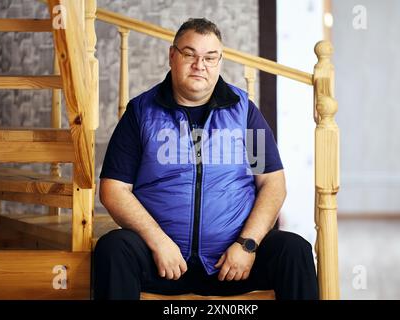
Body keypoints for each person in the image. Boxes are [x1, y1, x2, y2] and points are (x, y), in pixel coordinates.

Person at [94, 17, 318, 300]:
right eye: (190, 54)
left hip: (233, 263)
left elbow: (273, 184)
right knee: (113, 248)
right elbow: (113, 189)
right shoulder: (140, 113)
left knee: (294, 250)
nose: (200, 65)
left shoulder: (245, 112)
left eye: (210, 58)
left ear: (220, 62)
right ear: (172, 56)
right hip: (162, 261)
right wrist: (158, 242)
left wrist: (246, 245)